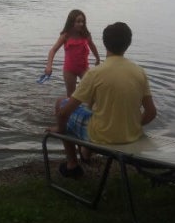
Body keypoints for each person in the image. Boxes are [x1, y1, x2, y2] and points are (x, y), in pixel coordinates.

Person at [48, 22, 157, 178]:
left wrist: (59, 128)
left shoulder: (95, 73)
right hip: (132, 136)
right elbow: (151, 113)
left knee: (61, 103)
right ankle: (85, 154)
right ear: (128, 44)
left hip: (101, 137)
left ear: (105, 43)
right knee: (96, 112)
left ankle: (72, 165)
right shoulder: (140, 72)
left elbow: (65, 113)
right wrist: (128, 126)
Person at [45, 9, 100, 97]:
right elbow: (53, 50)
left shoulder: (86, 35)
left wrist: (97, 58)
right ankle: (71, 110)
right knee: (70, 96)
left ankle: (90, 109)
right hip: (69, 70)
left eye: (82, 21)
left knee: (92, 90)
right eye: (78, 21)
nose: (81, 24)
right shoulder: (65, 36)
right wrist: (49, 66)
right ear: (71, 22)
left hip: (84, 68)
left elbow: (92, 46)